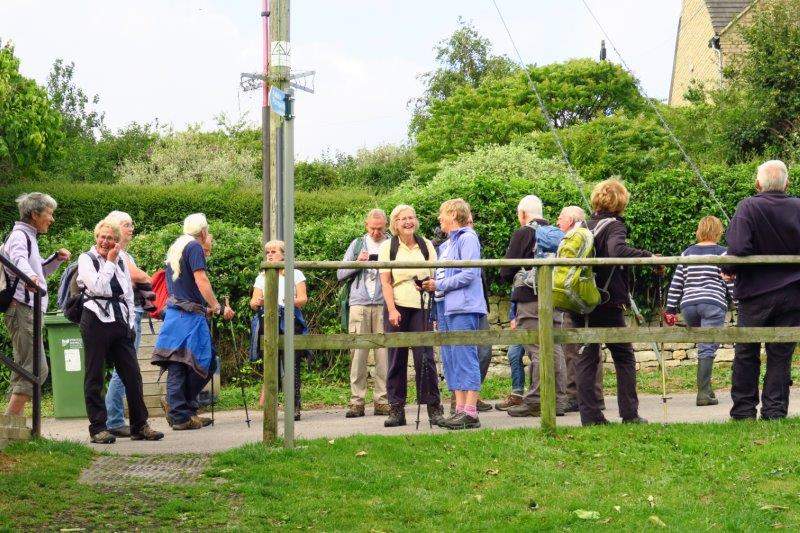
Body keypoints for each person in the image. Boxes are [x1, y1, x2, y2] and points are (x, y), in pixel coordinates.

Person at [575, 178, 657, 426]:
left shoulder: (581, 225)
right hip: (606, 301)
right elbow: (617, 251)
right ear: (621, 202)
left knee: (587, 357)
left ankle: (590, 417)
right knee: (624, 356)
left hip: (580, 298)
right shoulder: (614, 226)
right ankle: (629, 414)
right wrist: (649, 257)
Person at [722, 160, 800, 421]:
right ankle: (775, 411)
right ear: (787, 183)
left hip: (755, 293)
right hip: (793, 293)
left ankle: (743, 411)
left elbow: (738, 247)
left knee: (746, 352)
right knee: (780, 354)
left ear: (758, 184)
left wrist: (729, 266)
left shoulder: (748, 206)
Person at [77, 218, 163, 443]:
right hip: (94, 319)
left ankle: (139, 425)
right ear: (96, 238)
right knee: (94, 374)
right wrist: (110, 263)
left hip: (120, 322)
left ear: (117, 241)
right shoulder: (86, 259)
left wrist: (130, 324)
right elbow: (98, 286)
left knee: (132, 375)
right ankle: (98, 428)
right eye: (102, 237)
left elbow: (126, 292)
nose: (106, 242)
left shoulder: (122, 258)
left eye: (111, 239)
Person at [151, 214, 234, 430]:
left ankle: (183, 411)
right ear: (204, 232)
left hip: (178, 314)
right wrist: (217, 306)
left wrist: (207, 308)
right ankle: (180, 413)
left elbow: (183, 288)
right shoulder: (194, 247)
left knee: (183, 363)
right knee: (194, 363)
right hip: (188, 317)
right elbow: (201, 280)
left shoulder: (177, 246)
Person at [499, 195, 568, 417]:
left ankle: (537, 400)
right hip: (555, 297)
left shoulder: (524, 232)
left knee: (537, 349)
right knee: (555, 347)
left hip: (530, 298)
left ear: (522, 214)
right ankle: (558, 400)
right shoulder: (559, 234)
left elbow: (507, 270)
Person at [3, 193, 70, 418]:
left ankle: (12, 426)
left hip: (28, 310)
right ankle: (9, 426)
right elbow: (20, 261)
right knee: (35, 369)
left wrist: (55, 260)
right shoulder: (20, 235)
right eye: (49, 214)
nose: (52, 219)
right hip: (21, 309)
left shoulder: (28, 236)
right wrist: (30, 276)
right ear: (34, 214)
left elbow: (37, 272)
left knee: (27, 368)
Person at [422, 199, 487, 430]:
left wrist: (440, 285)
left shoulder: (467, 238)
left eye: (442, 214)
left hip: (463, 306)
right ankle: (459, 409)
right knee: (451, 358)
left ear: (453, 214)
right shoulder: (448, 243)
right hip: (446, 306)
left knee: (465, 355)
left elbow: (470, 273)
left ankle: (471, 411)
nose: (439, 219)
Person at [379, 204, 444, 427]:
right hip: (396, 304)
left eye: (411, 217)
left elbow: (435, 276)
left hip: (421, 305)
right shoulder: (388, 247)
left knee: (424, 357)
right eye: (403, 218)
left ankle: (434, 408)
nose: (408, 222)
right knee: (396, 357)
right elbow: (385, 282)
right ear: (395, 223)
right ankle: (396, 410)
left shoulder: (426, 245)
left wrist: (429, 285)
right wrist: (392, 309)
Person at [664, 215, 734, 406]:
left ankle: (707, 389)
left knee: (705, 346)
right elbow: (730, 282)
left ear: (700, 231)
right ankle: (703, 393)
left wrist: (670, 309)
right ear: (718, 232)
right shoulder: (722, 254)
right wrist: (739, 303)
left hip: (688, 307)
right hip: (712, 303)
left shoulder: (687, 254)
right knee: (708, 347)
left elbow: (676, 283)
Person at [102, 211, 152, 438]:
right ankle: (114, 419)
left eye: (132, 224)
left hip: (128, 315)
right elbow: (136, 277)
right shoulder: (117, 254)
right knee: (124, 370)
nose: (131, 228)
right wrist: (150, 277)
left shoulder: (124, 254)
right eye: (126, 225)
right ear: (113, 227)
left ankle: (115, 419)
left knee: (124, 370)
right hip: (125, 317)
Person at [336, 209, 390, 418]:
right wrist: (358, 262)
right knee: (357, 355)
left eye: (380, 228)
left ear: (386, 226)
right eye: (372, 228)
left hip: (383, 304)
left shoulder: (391, 244)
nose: (376, 232)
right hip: (358, 304)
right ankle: (356, 402)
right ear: (366, 226)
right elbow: (340, 273)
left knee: (383, 356)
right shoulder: (357, 244)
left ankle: (382, 401)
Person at [251, 240, 308, 420]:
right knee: (271, 364)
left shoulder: (295, 273)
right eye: (267, 251)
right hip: (268, 321)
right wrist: (259, 302)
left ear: (284, 254)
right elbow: (253, 302)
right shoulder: (262, 276)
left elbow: (303, 299)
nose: (269, 254)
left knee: (292, 364)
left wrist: (285, 302)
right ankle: (271, 406)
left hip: (290, 320)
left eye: (274, 251)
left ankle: (294, 407)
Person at [555, 205, 604, 413]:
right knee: (588, 348)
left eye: (560, 218)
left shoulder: (576, 236)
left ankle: (577, 395)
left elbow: (569, 268)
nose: (557, 221)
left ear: (571, 219)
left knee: (574, 348)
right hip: (583, 296)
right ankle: (593, 395)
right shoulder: (584, 234)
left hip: (576, 297)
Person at [494, 302, 526, 411]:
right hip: (520, 321)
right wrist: (512, 317)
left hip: (535, 318)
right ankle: (517, 395)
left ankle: (538, 397)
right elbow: (516, 297)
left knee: (538, 358)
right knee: (514, 354)